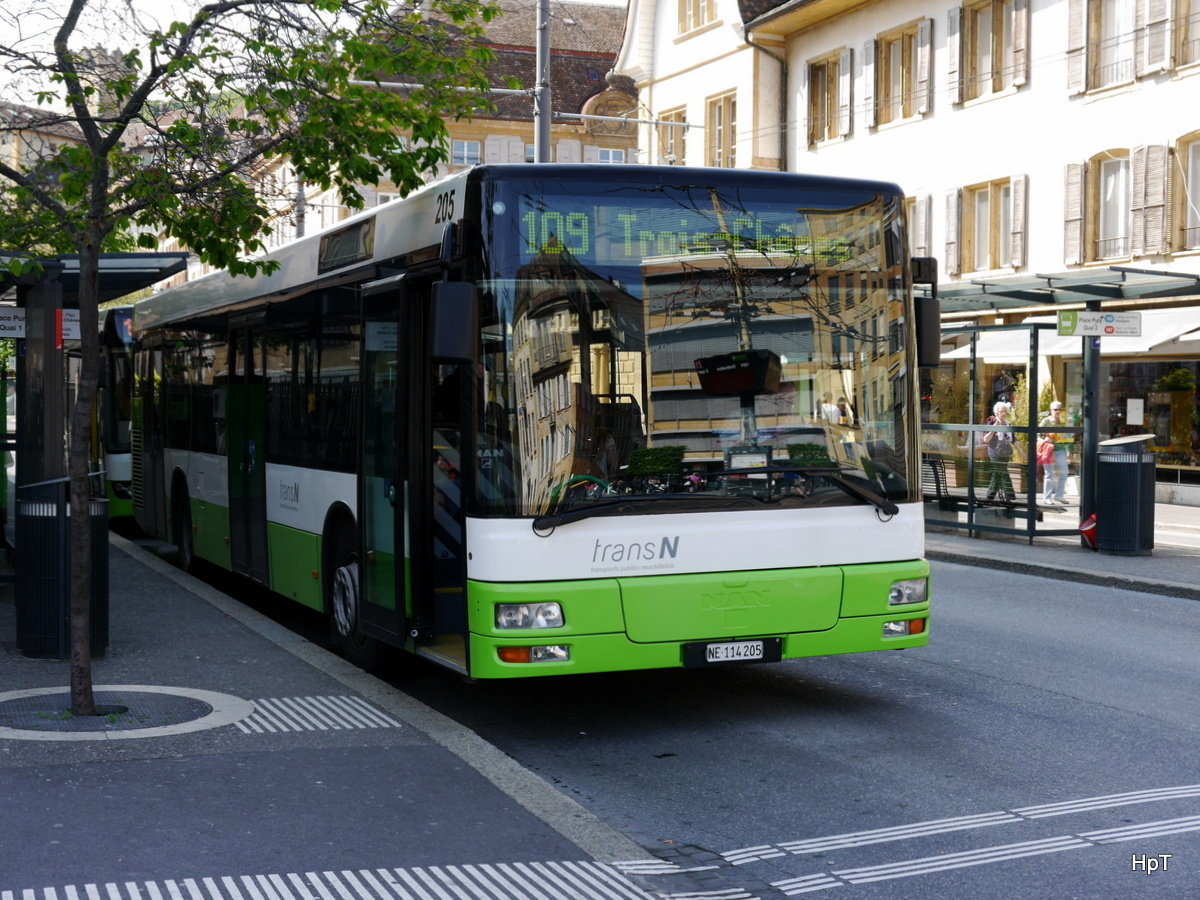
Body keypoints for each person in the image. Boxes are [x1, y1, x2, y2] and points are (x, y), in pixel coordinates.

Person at [980, 401, 1022, 501]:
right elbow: (985, 439)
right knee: (1003, 473)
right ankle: (1010, 496)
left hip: (1005, 453)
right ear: (996, 413)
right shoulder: (991, 422)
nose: (1004, 414)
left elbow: (1013, 439)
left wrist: (1021, 452)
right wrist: (994, 428)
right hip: (995, 452)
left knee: (997, 474)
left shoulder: (1007, 424)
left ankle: (989, 497)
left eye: (1006, 412)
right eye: (1002, 411)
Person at [1038, 401, 1072, 504]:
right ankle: (1047, 497)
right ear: (1051, 410)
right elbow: (1038, 435)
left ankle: (1059, 495)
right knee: (1049, 474)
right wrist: (1047, 439)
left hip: (1060, 450)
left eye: (1059, 409)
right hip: (1049, 451)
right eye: (1055, 409)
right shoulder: (1046, 421)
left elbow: (1067, 437)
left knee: (1064, 472)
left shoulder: (1063, 422)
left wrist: (1069, 452)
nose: (1057, 412)